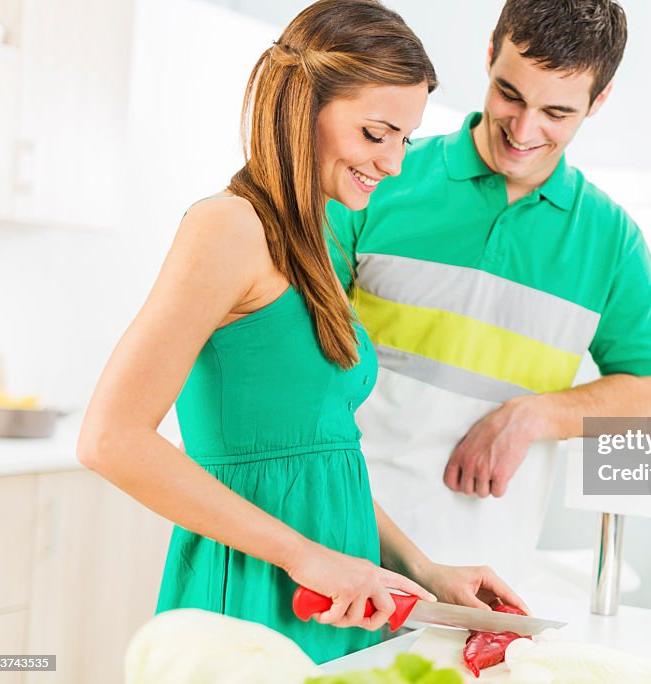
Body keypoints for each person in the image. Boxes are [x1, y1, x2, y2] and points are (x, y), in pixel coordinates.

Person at [78, 0, 523, 665]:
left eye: (404, 138)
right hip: (256, 599)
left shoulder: (315, 243)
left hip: (336, 597)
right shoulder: (227, 228)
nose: (395, 163)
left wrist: (427, 571)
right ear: (302, 107)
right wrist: (307, 556)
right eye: (377, 134)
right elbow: (110, 439)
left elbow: (318, 459)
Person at [327, 0, 651, 583]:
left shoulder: (613, 242)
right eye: (510, 94)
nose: (523, 129)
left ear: (599, 100)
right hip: (338, 543)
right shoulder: (379, 178)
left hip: (484, 578)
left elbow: (646, 396)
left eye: (556, 112)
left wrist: (535, 416)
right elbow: (302, 351)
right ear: (490, 55)